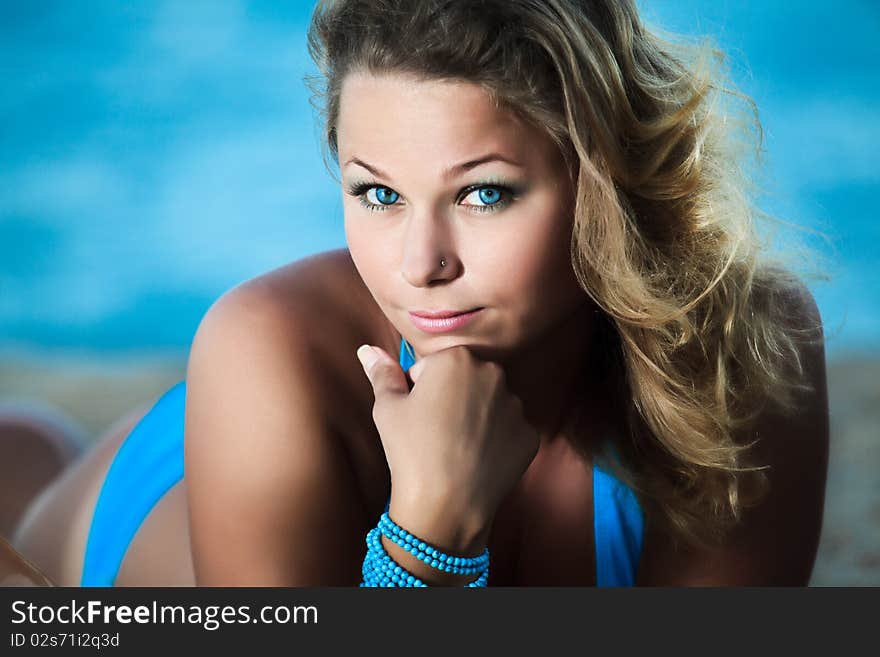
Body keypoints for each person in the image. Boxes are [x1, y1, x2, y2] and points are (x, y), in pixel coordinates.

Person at [5, 0, 829, 587]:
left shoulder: (745, 352)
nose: (419, 264)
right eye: (378, 193)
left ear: (602, 182)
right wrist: (428, 536)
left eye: (484, 193)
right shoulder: (262, 343)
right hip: (136, 517)